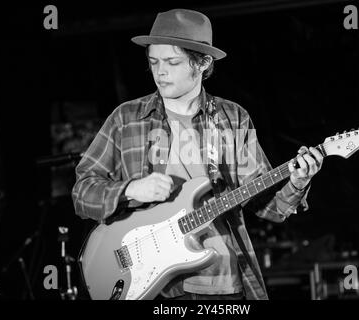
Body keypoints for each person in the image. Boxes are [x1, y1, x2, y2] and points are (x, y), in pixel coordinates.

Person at [72, 8, 323, 300]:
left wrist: (298, 182)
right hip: (153, 288)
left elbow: (267, 206)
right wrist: (129, 189)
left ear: (202, 63)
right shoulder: (126, 118)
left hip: (222, 283)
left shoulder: (232, 118)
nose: (160, 72)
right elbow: (81, 193)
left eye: (172, 62)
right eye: (153, 62)